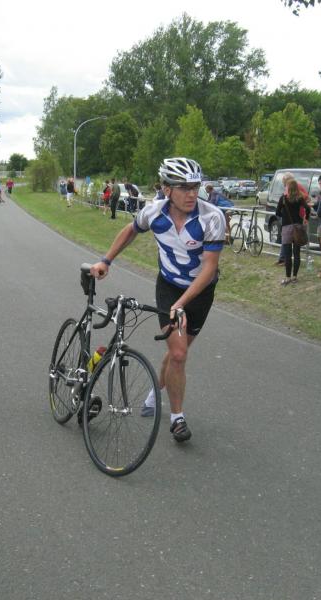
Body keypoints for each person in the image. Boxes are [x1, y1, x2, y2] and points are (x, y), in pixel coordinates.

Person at [90, 157, 225, 443]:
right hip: (169, 288)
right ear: (167, 189)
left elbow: (209, 268)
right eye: (184, 188)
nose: (192, 194)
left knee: (178, 352)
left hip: (201, 292)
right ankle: (177, 418)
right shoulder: (154, 212)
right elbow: (130, 230)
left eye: (195, 187)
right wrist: (106, 260)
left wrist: (182, 304)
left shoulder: (212, 217)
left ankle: (156, 390)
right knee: (178, 353)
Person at [276, 179, 311, 285]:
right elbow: (308, 209)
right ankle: (295, 276)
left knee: (287, 254)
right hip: (298, 227)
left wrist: (284, 215)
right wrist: (306, 218)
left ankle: (287, 277)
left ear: (288, 188)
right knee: (297, 253)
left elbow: (277, 212)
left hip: (287, 227)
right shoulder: (300, 198)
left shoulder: (283, 199)